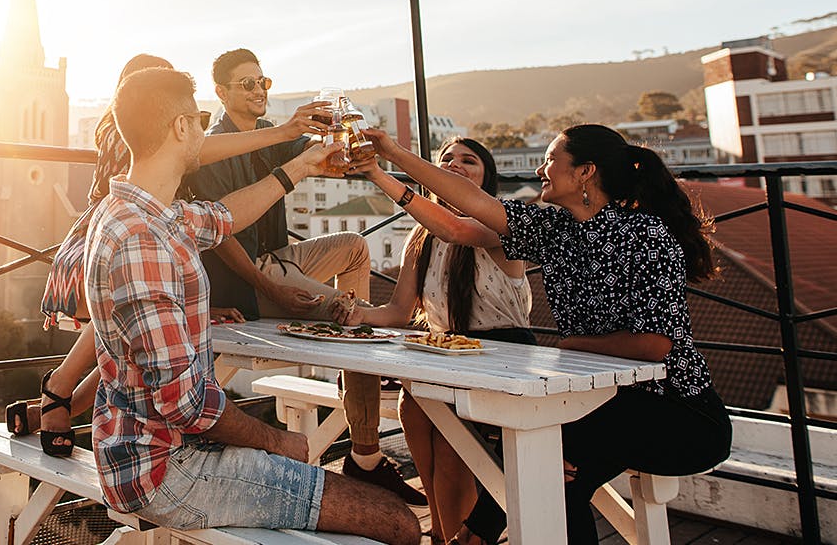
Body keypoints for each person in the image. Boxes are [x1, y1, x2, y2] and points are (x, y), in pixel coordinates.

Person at [83, 65, 420, 545]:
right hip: (168, 470)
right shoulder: (142, 240)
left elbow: (224, 217)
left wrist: (302, 165)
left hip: (139, 448)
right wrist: (279, 442)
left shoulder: (142, 214)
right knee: (398, 522)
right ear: (181, 128)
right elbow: (186, 404)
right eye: (197, 120)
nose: (204, 130)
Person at [365, 123, 732, 545]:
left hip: (678, 413)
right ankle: (472, 536)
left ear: (584, 172)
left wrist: (575, 345)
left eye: (551, 159)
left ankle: (471, 535)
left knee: (545, 460)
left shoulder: (645, 235)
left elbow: (653, 346)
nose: (541, 169)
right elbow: (464, 214)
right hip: (605, 404)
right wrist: (392, 157)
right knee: (549, 468)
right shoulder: (556, 230)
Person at [6, 52, 329, 456]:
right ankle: (58, 388)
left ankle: (59, 404)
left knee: (128, 348)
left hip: (148, 230)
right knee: (124, 318)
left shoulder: (155, 172)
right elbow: (205, 151)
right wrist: (281, 133)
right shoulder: (122, 133)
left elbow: (216, 204)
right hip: (105, 238)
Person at [187, 48, 425, 504]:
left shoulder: (267, 134)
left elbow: (321, 157)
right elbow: (220, 235)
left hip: (278, 257)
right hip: (247, 277)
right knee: (354, 319)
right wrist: (271, 288)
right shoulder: (215, 145)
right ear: (220, 92)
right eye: (247, 84)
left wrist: (351, 142)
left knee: (355, 247)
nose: (259, 91)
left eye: (264, 82)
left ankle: (352, 352)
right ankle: (366, 450)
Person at [331, 136, 532, 544]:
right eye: (445, 160)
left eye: (468, 161)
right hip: (446, 353)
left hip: (503, 354)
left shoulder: (499, 224)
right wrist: (356, 315)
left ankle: (458, 536)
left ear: (486, 179)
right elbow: (397, 313)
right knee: (415, 407)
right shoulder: (420, 239)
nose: (454, 165)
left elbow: (456, 229)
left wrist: (377, 172)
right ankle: (443, 533)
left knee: (448, 429)